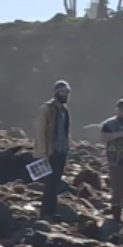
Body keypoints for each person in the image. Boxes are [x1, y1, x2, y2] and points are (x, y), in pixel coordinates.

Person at [33, 80, 72, 220]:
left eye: (67, 92)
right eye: (62, 92)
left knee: (56, 182)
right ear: (56, 93)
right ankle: (46, 212)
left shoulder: (64, 110)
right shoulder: (47, 108)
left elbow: (66, 131)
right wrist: (43, 152)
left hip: (61, 150)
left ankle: (52, 210)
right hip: (51, 151)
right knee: (50, 182)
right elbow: (41, 130)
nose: (65, 95)